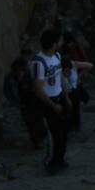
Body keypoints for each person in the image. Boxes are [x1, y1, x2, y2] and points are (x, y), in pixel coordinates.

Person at [31, 28, 71, 174]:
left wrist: (66, 96)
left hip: (59, 96)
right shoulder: (39, 62)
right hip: (48, 102)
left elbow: (60, 76)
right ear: (54, 44)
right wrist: (53, 105)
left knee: (64, 130)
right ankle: (52, 162)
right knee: (53, 133)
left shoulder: (57, 56)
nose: (62, 43)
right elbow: (38, 90)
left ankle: (60, 158)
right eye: (60, 40)